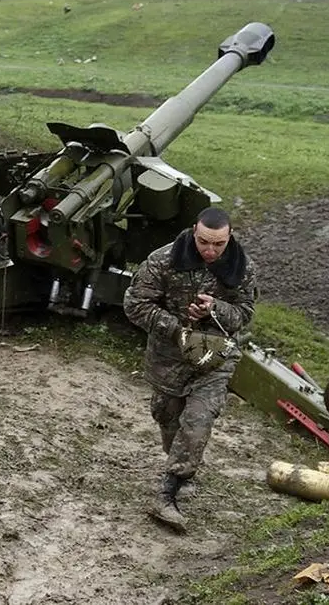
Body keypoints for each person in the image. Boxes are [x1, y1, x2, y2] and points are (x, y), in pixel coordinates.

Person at [122, 206, 257, 533]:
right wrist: (175, 326)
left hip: (214, 359)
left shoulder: (242, 267)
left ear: (229, 238)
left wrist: (215, 309)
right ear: (193, 232)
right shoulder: (162, 261)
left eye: (218, 244)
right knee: (168, 417)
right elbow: (134, 304)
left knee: (198, 421)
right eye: (203, 242)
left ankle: (167, 493)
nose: (210, 251)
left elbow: (244, 314)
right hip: (169, 358)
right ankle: (181, 468)